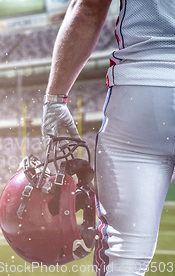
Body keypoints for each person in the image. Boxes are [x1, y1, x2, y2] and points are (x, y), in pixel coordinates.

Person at [41, 0, 175, 275]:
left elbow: (89, 7)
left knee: (124, 254)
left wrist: (55, 100)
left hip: (140, 92)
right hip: (140, 90)